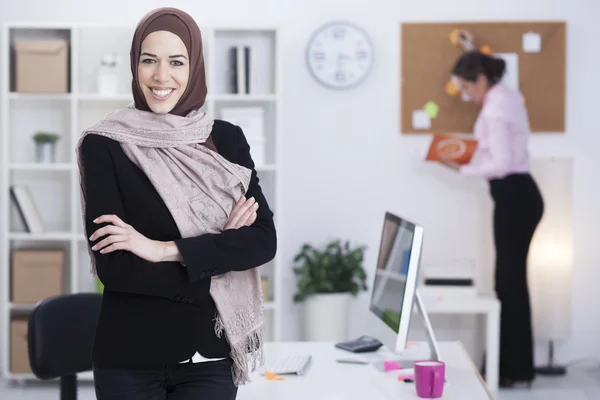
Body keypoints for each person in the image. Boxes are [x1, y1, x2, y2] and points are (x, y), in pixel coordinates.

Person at [75, 7, 276, 399]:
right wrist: (218, 253)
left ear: (195, 66)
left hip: (212, 361)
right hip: (129, 360)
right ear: (135, 66)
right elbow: (116, 268)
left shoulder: (227, 140)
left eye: (176, 62)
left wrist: (159, 249)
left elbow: (263, 241)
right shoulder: (105, 144)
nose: (161, 77)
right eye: (149, 60)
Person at [442, 50, 544, 388]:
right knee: (511, 282)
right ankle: (513, 369)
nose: (466, 94)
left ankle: (507, 370)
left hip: (514, 195)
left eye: (466, 87)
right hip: (520, 195)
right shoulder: (507, 96)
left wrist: (462, 168)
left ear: (481, 79)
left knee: (508, 283)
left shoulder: (496, 108)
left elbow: (500, 163)